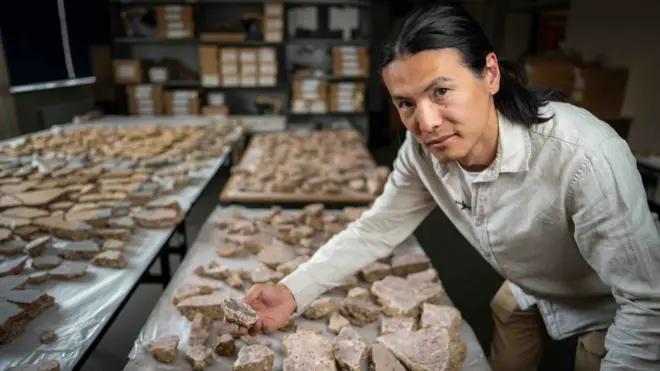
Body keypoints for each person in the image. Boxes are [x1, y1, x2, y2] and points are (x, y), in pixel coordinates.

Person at [239, 1, 660, 370]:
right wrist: (292, 291)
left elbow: (647, 303)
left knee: (601, 355)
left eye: (440, 91)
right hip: (529, 281)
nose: (426, 123)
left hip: (607, 300)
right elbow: (378, 228)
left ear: (490, 74)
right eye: (405, 103)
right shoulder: (421, 148)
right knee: (506, 332)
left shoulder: (586, 156)